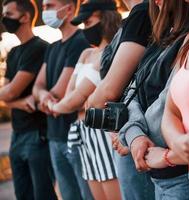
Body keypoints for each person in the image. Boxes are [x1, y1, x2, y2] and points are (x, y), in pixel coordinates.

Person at [116, 0, 189, 199]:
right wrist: (134, 135)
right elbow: (131, 93)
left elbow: (168, 105)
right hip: (156, 168)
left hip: (181, 172)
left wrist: (133, 134)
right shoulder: (160, 37)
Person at [48, 1, 122, 199]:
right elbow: (71, 95)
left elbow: (74, 100)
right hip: (84, 133)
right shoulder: (87, 53)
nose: (85, 29)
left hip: (102, 133)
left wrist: (58, 106)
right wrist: (69, 102)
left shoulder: (113, 52)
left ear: (106, 18)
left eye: (89, 22)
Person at [84, 0, 154, 199]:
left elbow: (110, 90)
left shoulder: (142, 14)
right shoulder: (132, 18)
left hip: (137, 133)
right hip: (125, 132)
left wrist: (91, 100)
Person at [32, 0, 92, 199]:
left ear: (68, 9)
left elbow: (61, 93)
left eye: (50, 6)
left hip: (75, 136)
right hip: (54, 135)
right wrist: (43, 96)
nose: (44, 11)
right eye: (43, 7)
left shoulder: (80, 42)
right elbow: (37, 87)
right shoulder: (53, 47)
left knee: (86, 195)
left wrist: (47, 98)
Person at [0, 0, 57, 199]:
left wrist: (10, 98)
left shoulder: (40, 48)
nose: (4, 18)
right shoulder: (14, 52)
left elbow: (9, 93)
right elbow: (7, 95)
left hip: (37, 135)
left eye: (9, 13)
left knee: (43, 194)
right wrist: (16, 102)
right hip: (17, 134)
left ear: (24, 17)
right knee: (22, 194)